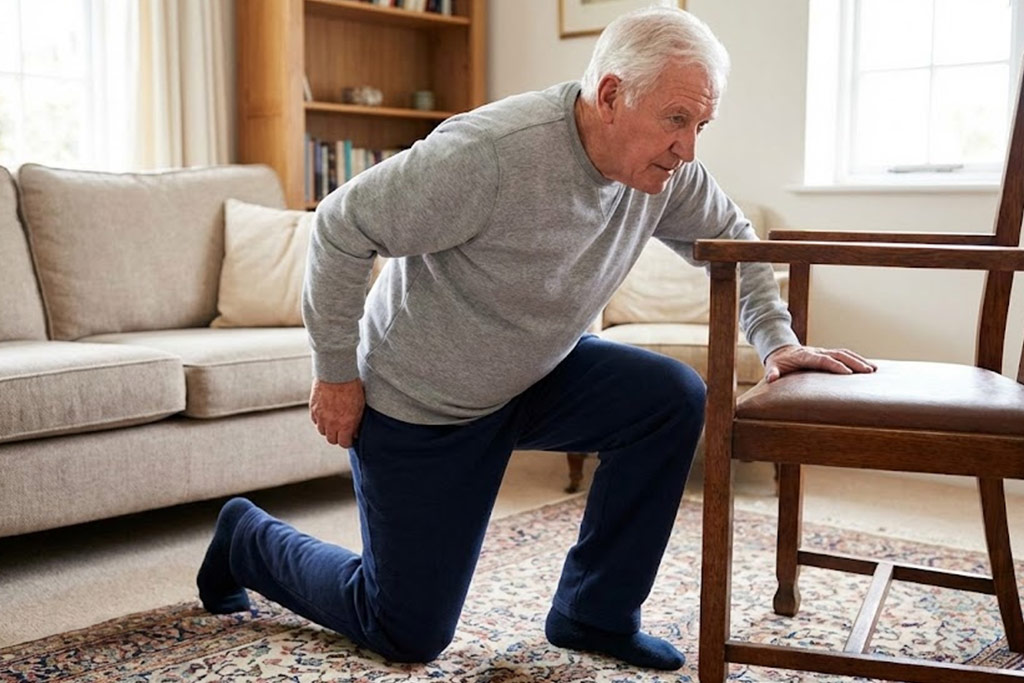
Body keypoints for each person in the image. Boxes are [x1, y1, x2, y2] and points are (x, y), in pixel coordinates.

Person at [196, 6, 875, 671]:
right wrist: (336, 370)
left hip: (537, 373)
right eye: (676, 119)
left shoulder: (667, 177)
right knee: (405, 629)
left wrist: (774, 338)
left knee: (670, 397)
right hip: (425, 399)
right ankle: (246, 539)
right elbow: (342, 225)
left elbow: (735, 245)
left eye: (701, 124)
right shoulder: (490, 155)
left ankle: (594, 611)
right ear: (611, 94)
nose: (689, 147)